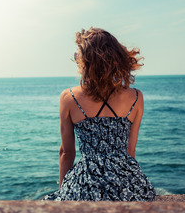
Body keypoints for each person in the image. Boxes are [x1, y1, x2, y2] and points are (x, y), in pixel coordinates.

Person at [44, 27, 155, 201]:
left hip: (86, 182)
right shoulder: (136, 97)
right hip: (126, 181)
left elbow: (66, 153)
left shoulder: (69, 97)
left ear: (86, 62)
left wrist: (63, 191)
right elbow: (130, 151)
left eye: (77, 56)